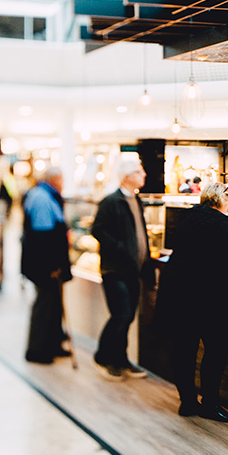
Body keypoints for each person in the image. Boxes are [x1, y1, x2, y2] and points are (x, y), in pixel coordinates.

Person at [158, 182, 228, 422]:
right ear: (223, 201)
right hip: (209, 301)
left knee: (184, 351)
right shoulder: (223, 225)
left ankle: (187, 402)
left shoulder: (188, 218)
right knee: (215, 351)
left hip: (180, 296)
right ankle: (210, 404)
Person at [91, 159, 152, 381]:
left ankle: (121, 359)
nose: (144, 174)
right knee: (121, 314)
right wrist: (120, 248)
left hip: (133, 270)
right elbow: (98, 230)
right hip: (115, 269)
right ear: (127, 176)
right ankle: (103, 357)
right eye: (139, 171)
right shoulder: (111, 202)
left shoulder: (136, 200)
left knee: (127, 317)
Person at [21, 167, 72, 364]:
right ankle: (38, 350)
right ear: (54, 179)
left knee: (53, 304)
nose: (63, 182)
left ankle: (53, 344)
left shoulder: (44, 194)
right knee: (45, 304)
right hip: (44, 264)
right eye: (62, 178)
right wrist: (53, 264)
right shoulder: (42, 198)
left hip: (44, 262)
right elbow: (43, 236)